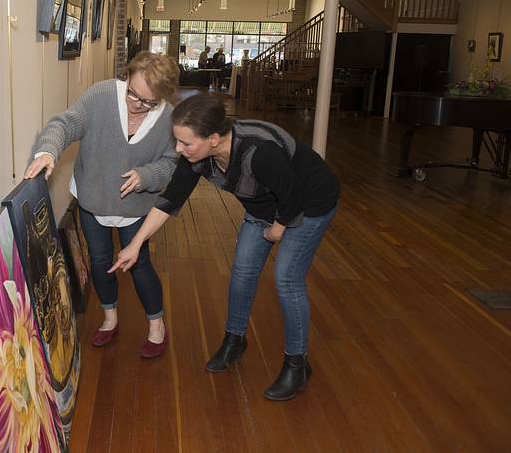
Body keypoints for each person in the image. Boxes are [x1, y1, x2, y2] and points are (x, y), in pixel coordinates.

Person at [109, 95, 339, 399]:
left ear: (214, 139)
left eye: (186, 143)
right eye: (176, 141)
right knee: (243, 272)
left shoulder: (259, 152)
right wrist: (135, 245)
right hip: (263, 207)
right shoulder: (199, 156)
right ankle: (235, 340)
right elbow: (170, 199)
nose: (179, 149)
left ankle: (298, 365)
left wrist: (279, 229)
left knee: (286, 279)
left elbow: (292, 193)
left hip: (308, 203)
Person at [24, 51, 180, 359]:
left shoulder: (169, 119)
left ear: (161, 99)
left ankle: (156, 325)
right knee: (100, 261)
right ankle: (110, 318)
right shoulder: (102, 95)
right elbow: (66, 123)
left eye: (147, 102)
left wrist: (147, 174)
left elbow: (173, 163)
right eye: (133, 94)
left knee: (139, 265)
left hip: (135, 208)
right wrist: (48, 150)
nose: (135, 104)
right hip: (93, 200)